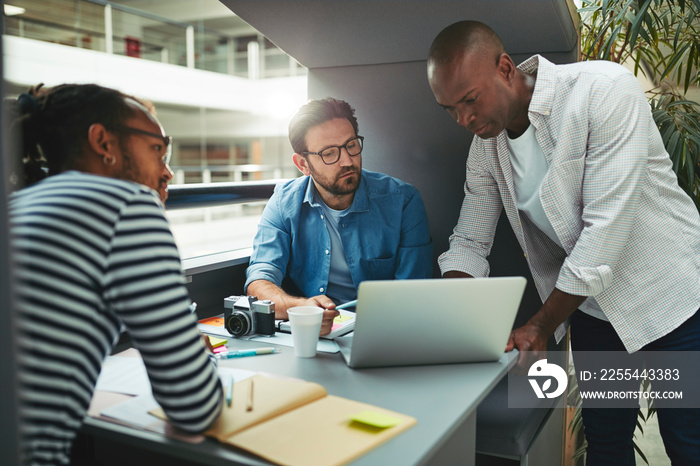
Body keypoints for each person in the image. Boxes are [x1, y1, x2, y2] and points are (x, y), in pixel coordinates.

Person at [427, 20, 700, 465]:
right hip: (591, 308)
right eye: (450, 109)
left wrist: (537, 325)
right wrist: (460, 320)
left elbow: (604, 232)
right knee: (607, 446)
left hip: (670, 299)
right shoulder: (485, 149)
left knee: (689, 444)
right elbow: (469, 240)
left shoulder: (604, 90)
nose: (464, 120)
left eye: (469, 100)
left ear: (505, 68)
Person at [8, 83, 223, 465]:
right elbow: (195, 406)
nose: (167, 172)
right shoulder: (127, 204)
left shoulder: (20, 203)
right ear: (102, 142)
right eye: (158, 149)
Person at [245, 97, 432, 335]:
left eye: (351, 145)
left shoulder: (403, 201)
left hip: (384, 332)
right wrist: (302, 309)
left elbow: (413, 294)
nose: (347, 161)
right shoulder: (283, 202)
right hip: (313, 335)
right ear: (303, 164)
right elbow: (259, 281)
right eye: (329, 153)